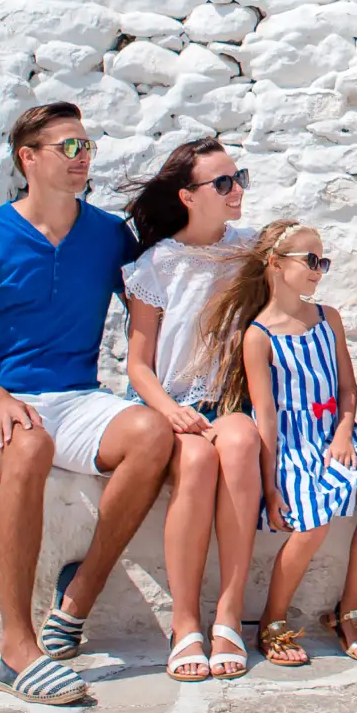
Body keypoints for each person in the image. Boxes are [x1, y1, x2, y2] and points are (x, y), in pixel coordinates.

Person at [0, 103, 173, 705]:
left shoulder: (107, 235)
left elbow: (155, 303)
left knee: (151, 434)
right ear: (30, 158)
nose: (83, 157)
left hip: (77, 399)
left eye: (87, 146)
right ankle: (16, 649)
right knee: (29, 441)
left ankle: (79, 596)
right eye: (69, 147)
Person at [195, 219, 357, 665]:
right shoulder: (258, 336)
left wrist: (345, 432)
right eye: (310, 260)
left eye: (323, 261)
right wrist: (270, 487)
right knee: (313, 523)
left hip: (336, 436)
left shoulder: (328, 318)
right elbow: (264, 415)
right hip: (291, 445)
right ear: (275, 263)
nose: (318, 269)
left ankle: (347, 610)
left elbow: (348, 389)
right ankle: (272, 620)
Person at [121, 138, 260, 681]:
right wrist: (169, 412)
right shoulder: (156, 265)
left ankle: (228, 613)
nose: (237, 190)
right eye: (223, 183)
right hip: (170, 404)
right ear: (187, 195)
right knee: (197, 462)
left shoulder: (251, 249)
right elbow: (138, 363)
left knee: (242, 443)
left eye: (239, 177)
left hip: (229, 402)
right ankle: (185, 624)